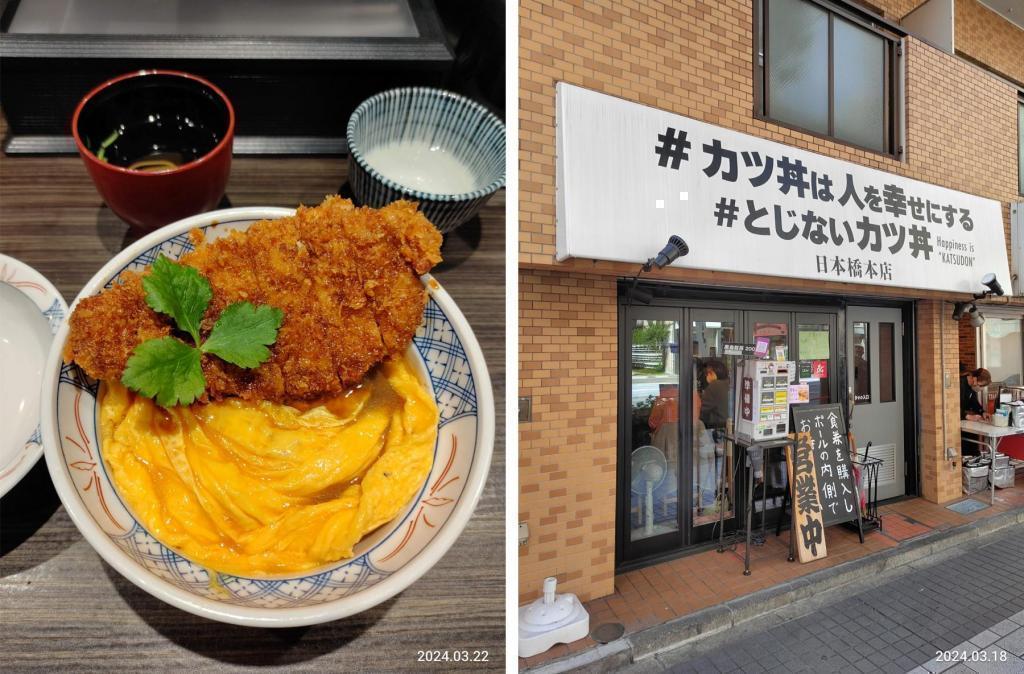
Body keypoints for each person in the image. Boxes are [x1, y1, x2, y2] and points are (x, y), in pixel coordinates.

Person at [700, 359, 730, 430]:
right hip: (727, 427)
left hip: (716, 428)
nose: (707, 376)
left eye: (709, 373)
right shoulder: (728, 383)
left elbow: (702, 411)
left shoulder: (715, 385)